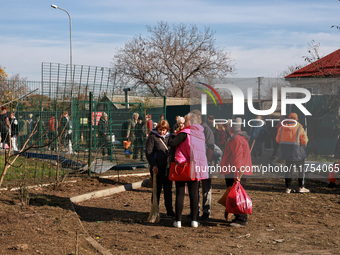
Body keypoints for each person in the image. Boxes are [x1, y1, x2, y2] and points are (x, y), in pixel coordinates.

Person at [169, 112, 209, 228]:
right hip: (197, 168)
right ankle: (194, 220)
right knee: (194, 194)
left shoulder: (185, 134)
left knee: (180, 193)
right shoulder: (200, 134)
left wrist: (174, 134)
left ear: (190, 122)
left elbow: (171, 143)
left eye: (185, 121)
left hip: (183, 167)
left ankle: (178, 221)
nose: (184, 123)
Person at [221, 118, 252, 227]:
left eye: (228, 125)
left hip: (236, 171)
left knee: (238, 195)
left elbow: (238, 158)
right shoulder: (236, 138)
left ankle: (241, 218)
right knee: (235, 194)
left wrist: (237, 175)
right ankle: (238, 216)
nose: (226, 126)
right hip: (234, 170)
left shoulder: (237, 139)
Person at [145, 120, 174, 218]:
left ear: (167, 130)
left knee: (168, 190)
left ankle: (169, 210)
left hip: (168, 168)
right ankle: (155, 209)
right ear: (157, 129)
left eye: (164, 130)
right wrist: (153, 165)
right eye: (160, 130)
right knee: (156, 190)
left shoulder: (170, 137)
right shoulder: (153, 137)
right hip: (156, 169)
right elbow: (148, 152)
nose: (162, 132)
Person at [276, 112, 309, 193]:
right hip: (297, 152)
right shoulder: (299, 128)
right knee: (301, 169)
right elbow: (304, 141)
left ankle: (288, 188)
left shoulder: (282, 128)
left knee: (288, 170)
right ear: (296, 119)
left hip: (286, 152)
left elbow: (277, 140)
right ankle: (301, 187)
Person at [191, 110, 215, 221]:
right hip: (197, 163)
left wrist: (208, 162)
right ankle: (195, 211)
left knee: (206, 188)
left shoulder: (206, 130)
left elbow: (211, 146)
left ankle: (206, 212)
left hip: (205, 163)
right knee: (196, 188)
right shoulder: (195, 129)